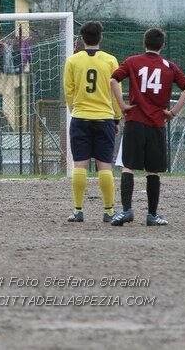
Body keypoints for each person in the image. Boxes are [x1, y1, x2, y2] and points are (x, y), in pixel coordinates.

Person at [110, 28, 185, 226]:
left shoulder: (132, 61)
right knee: (153, 171)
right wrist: (172, 112)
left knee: (128, 167)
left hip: (135, 122)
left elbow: (113, 79)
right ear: (162, 45)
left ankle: (127, 211)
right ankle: (152, 215)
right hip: (156, 124)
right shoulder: (169, 66)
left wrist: (122, 105)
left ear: (144, 43)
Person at [62, 21, 121, 223]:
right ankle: (109, 211)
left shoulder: (72, 61)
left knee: (80, 165)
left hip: (80, 118)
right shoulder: (111, 61)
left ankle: (78, 210)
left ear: (81, 38)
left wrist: (74, 110)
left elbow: (68, 91)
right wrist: (116, 117)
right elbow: (116, 92)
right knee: (105, 166)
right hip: (104, 117)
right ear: (100, 38)